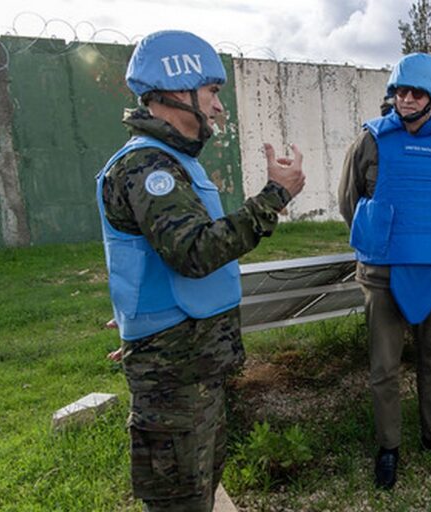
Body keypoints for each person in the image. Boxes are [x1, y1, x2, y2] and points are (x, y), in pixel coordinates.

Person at [95, 30, 305, 511]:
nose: (216, 107)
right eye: (211, 92)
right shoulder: (149, 167)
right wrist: (275, 197)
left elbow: (150, 257)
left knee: (199, 491)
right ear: (177, 91)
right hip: (174, 382)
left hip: (192, 371)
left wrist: (134, 311)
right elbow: (193, 252)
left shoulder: (172, 163)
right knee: (179, 502)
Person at [338, 52, 431, 490]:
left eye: (417, 92)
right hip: (383, 272)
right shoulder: (370, 141)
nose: (408, 98)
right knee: (385, 365)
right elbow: (350, 201)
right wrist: (381, 242)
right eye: (401, 91)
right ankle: (389, 448)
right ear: (392, 94)